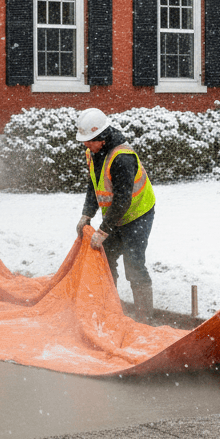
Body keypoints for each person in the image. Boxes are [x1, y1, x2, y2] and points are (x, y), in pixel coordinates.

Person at [75, 108, 157, 324]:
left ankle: (144, 318)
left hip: (137, 214)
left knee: (134, 264)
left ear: (102, 137)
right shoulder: (92, 153)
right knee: (106, 261)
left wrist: (103, 230)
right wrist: (87, 213)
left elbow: (123, 200)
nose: (85, 145)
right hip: (115, 216)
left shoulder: (122, 158)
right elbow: (94, 184)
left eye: (89, 141)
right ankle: (111, 308)